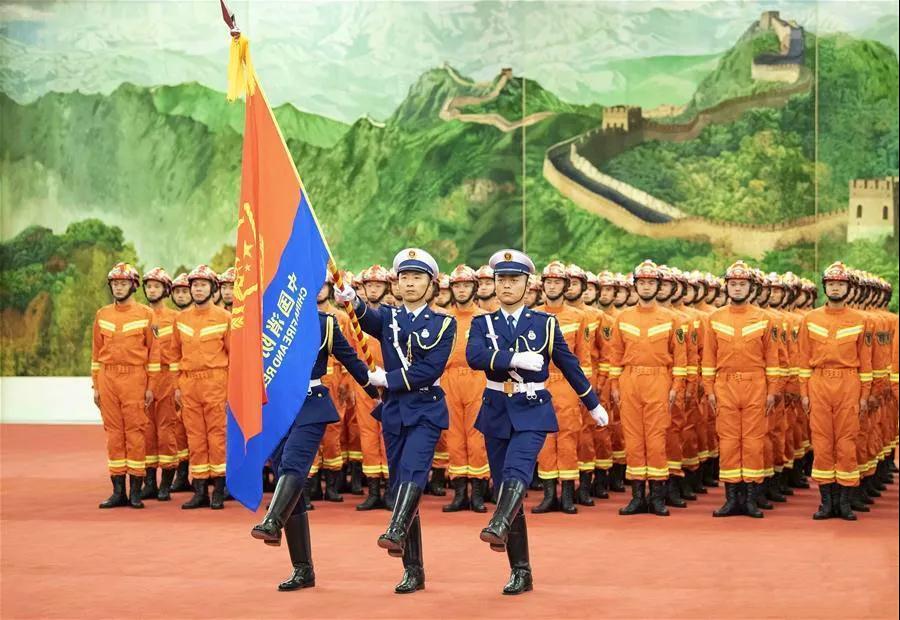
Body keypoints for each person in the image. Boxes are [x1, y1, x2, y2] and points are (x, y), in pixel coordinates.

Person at [466, 249, 607, 595]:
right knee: (504, 487)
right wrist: (513, 358)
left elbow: (570, 365)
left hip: (532, 408)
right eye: (501, 279)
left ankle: (499, 522)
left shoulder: (545, 324)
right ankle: (521, 570)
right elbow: (475, 357)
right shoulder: (483, 323)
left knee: (518, 469)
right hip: (496, 408)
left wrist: (592, 403)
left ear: (528, 285)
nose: (507, 286)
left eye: (514, 280)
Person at [334, 248, 456, 595]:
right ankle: (412, 570)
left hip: (426, 409)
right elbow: (366, 318)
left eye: (417, 278)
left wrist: (389, 378)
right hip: (395, 411)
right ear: (397, 284)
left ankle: (396, 527)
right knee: (402, 482)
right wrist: (352, 299)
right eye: (404, 277)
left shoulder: (443, 324)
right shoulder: (388, 317)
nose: (410, 283)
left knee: (415, 471)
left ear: (431, 285)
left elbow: (429, 369)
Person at [250, 303, 378, 592]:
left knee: (294, 463)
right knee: (285, 476)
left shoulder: (325, 324)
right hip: (278, 407)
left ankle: (272, 520)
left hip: (311, 403)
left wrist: (377, 391)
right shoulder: (269, 322)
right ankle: (303, 570)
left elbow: (351, 360)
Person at [607, 260, 688, 517]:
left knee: (655, 439)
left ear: (658, 286)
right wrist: (614, 385)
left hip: (658, 379)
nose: (646, 286)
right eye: (642, 282)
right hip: (630, 380)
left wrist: (676, 386)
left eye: (651, 282)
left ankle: (657, 498)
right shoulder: (622, 318)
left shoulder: (672, 319)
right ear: (635, 286)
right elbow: (614, 355)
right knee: (633, 439)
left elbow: (681, 358)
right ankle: (637, 497)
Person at [701, 261, 781, 518]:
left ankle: (750, 500)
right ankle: (731, 499)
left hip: (755, 383)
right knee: (728, 441)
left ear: (751, 288)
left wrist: (772, 390)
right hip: (725, 385)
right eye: (733, 284)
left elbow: (773, 358)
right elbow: (709, 358)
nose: (737, 288)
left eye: (742, 284)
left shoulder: (764, 319)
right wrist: (709, 389)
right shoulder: (714, 319)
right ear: (726, 287)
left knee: (753, 441)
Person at [797, 262, 873, 521]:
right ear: (825, 287)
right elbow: (803, 360)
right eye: (831, 284)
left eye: (840, 284)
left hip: (848, 383)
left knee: (846, 442)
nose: (836, 288)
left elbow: (866, 363)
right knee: (822, 442)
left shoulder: (860, 320)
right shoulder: (810, 319)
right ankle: (826, 503)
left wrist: (864, 396)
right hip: (819, 383)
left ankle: (844, 503)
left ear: (848, 288)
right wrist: (804, 392)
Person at [91, 262, 155, 509]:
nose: (118, 288)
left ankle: (136, 491)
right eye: (115, 284)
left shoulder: (146, 315)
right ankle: (118, 491)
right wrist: (96, 385)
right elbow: (96, 353)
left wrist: (150, 386)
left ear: (133, 285)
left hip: (134, 378)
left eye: (123, 283)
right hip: (108, 378)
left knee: (135, 433)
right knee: (114, 435)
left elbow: (154, 354)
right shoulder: (102, 314)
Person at [531, 261, 591, 514]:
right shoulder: (532, 315)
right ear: (542, 286)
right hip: (539, 382)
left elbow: (584, 358)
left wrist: (585, 392)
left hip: (566, 383)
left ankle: (567, 496)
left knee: (567, 437)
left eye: (557, 282)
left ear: (565, 286)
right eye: (549, 282)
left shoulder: (578, 318)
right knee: (544, 438)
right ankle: (548, 496)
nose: (552, 286)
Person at [171, 265, 232, 510]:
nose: (197, 289)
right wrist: (177, 386)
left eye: (203, 285)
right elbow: (175, 355)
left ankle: (218, 491)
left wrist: (230, 389)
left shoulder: (225, 318)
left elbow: (234, 356)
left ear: (213, 288)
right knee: (195, 437)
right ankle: (199, 491)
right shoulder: (180, 319)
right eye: (194, 285)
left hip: (216, 382)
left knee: (217, 436)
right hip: (189, 384)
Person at [442, 265, 490, 513]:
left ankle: (478, 493)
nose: (461, 290)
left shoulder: (485, 318)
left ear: (474, 288)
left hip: (477, 378)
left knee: (477, 435)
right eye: (457, 286)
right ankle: (460, 493)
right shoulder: (443, 318)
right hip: (449, 379)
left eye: (466, 285)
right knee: (453, 436)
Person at [140, 267, 180, 501]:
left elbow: (179, 353)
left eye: (156, 286)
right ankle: (149, 483)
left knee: (166, 432)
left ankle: (166, 483)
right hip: (144, 380)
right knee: (146, 432)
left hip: (167, 379)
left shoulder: (175, 318)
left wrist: (177, 385)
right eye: (149, 286)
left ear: (165, 290)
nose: (152, 290)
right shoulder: (140, 316)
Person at [168, 271, 193, 492]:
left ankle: (211, 479)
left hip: (208, 383)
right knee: (178, 430)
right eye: (177, 292)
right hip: (179, 382)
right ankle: (182, 474)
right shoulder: (173, 319)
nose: (181, 295)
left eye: (185, 291)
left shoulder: (217, 316)